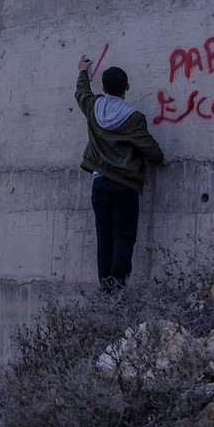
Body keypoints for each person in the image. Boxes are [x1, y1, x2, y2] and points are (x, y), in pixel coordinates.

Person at [75, 56, 165, 290]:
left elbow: (81, 93)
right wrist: (160, 158)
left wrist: (83, 71)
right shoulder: (133, 118)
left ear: (103, 88)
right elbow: (150, 148)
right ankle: (117, 288)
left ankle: (107, 289)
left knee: (104, 239)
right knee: (123, 238)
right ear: (127, 87)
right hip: (124, 186)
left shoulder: (94, 107)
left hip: (100, 185)